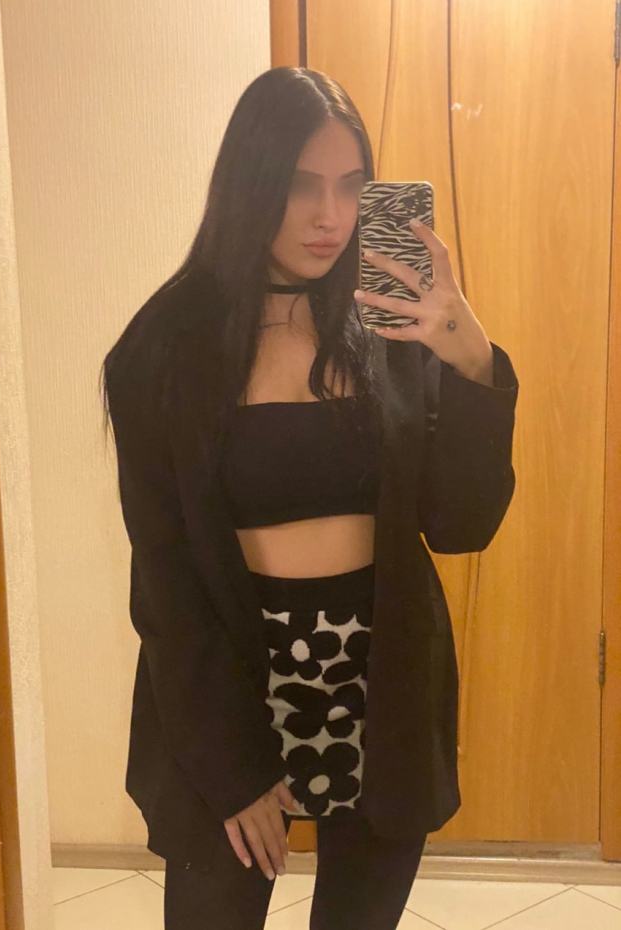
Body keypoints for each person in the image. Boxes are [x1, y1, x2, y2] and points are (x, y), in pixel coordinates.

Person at [100, 67, 519, 930]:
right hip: (232, 680)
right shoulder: (163, 350)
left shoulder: (390, 324)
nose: (331, 216)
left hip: (381, 679)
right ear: (248, 183)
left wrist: (467, 357)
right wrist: (230, 767)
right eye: (299, 185)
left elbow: (460, 524)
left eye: (351, 185)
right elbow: (166, 579)